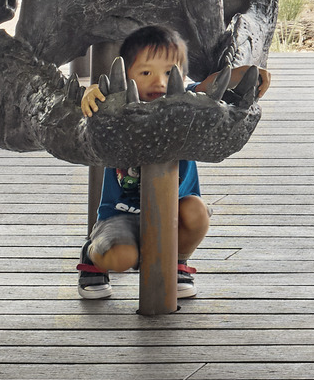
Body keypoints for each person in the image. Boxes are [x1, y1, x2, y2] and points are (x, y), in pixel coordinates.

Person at [74, 24, 242, 299]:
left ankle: (176, 262)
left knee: (197, 211)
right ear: (127, 75)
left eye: (169, 72)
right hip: (121, 215)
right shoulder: (116, 105)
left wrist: (248, 73)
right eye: (145, 72)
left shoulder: (187, 100)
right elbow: (91, 101)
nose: (159, 82)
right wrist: (91, 93)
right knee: (121, 257)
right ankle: (93, 255)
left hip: (173, 212)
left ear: (183, 75)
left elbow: (215, 83)